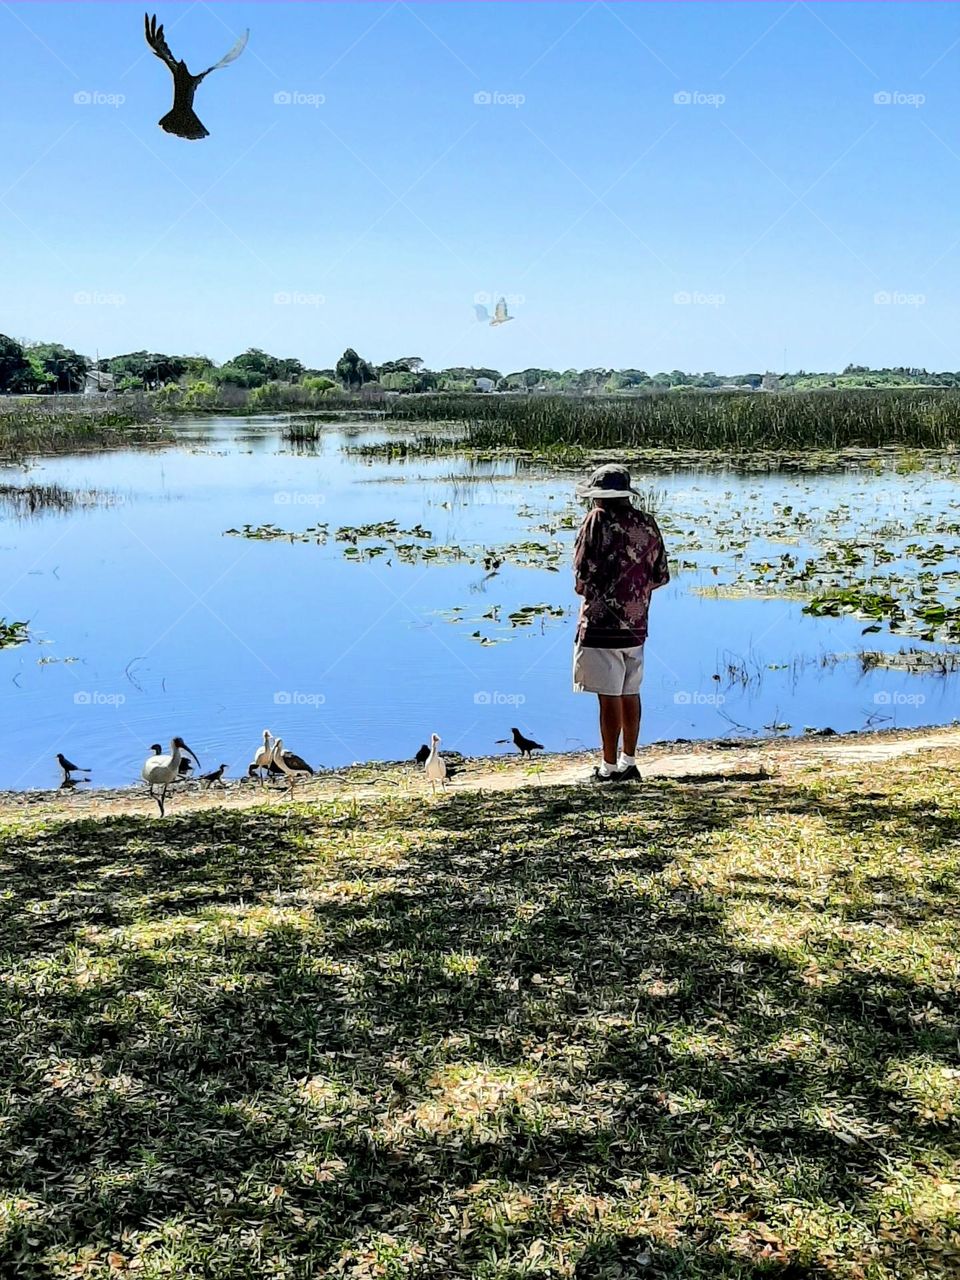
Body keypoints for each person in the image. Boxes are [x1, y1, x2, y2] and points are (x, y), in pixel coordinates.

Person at [572, 463, 669, 782]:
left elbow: (582, 575)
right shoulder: (647, 522)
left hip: (601, 624)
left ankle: (608, 767)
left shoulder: (595, 521)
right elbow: (660, 576)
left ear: (599, 496)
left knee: (607, 695)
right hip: (637, 623)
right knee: (630, 691)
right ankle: (629, 762)